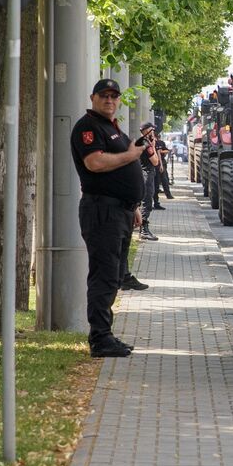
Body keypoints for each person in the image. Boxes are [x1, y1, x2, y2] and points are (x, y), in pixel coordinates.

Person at [70, 78, 147, 358]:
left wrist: (132, 205)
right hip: (102, 211)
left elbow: (121, 169)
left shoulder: (111, 127)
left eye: (114, 96)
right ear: (93, 98)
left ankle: (106, 334)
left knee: (114, 276)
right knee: (104, 277)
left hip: (119, 211)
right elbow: (95, 163)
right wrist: (130, 155)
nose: (110, 100)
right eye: (104, 95)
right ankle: (100, 339)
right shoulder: (87, 127)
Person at [137, 123, 162, 241]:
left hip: (142, 174)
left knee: (143, 201)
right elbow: (155, 161)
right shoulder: (147, 144)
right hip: (147, 174)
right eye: (153, 130)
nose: (154, 133)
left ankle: (142, 229)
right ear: (148, 131)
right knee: (147, 202)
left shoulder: (140, 141)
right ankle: (144, 230)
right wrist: (154, 145)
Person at [154, 138, 173, 206]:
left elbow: (166, 151)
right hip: (155, 164)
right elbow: (158, 153)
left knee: (165, 180)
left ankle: (168, 194)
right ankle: (156, 202)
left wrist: (162, 151)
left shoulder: (160, 142)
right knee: (156, 183)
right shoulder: (150, 143)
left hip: (161, 163)